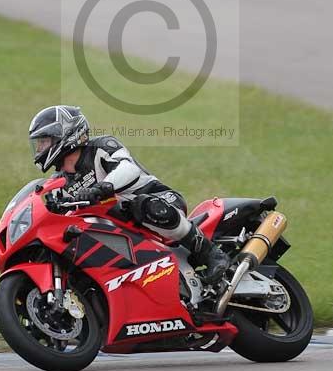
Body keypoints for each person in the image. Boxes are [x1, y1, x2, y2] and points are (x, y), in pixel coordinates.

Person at [29, 105, 230, 284]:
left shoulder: (101, 147)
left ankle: (212, 254)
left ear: (66, 134)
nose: (40, 149)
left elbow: (128, 168)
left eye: (44, 142)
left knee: (141, 205)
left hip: (159, 201)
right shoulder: (59, 182)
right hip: (121, 227)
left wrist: (104, 186)